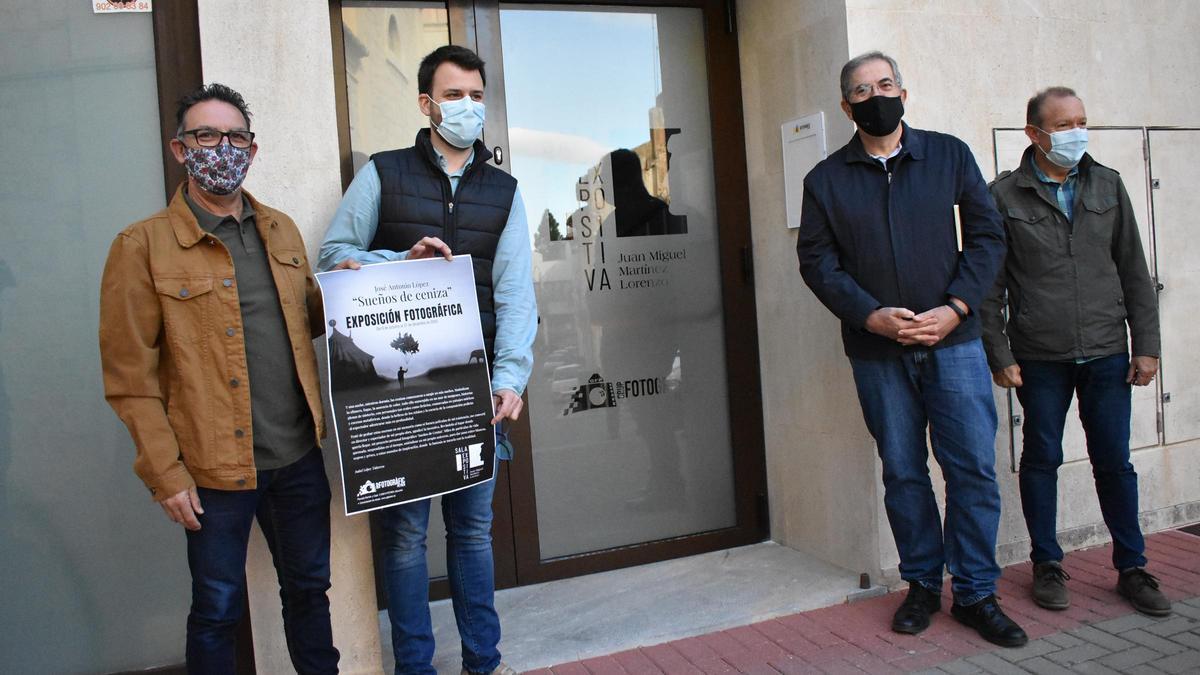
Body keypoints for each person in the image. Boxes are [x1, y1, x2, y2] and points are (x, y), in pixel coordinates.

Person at [99, 83, 338, 673]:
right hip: (210, 471)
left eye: (234, 137)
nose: (221, 148)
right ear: (181, 149)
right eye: (206, 136)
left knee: (310, 592)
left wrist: (390, 281)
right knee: (217, 609)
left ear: (252, 151)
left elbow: (310, 316)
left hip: (297, 457)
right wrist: (165, 473)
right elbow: (130, 377)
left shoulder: (278, 229)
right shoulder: (142, 245)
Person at [318, 45, 537, 675]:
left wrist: (513, 378)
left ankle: (482, 662)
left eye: (475, 95)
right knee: (406, 539)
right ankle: (414, 667)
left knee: (472, 533)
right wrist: (399, 261)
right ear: (426, 104)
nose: (467, 107)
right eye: (453, 95)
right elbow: (332, 256)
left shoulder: (505, 191)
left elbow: (519, 292)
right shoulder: (383, 174)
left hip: (473, 390)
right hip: (395, 390)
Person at [797, 51, 1026, 647]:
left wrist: (954, 309)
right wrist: (872, 316)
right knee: (903, 472)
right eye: (863, 90)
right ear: (846, 106)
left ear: (905, 92)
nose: (877, 96)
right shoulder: (824, 180)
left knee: (972, 469)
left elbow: (986, 235)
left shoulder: (948, 154)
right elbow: (817, 264)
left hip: (954, 342)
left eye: (886, 84)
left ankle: (975, 592)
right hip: (878, 354)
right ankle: (924, 583)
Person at [981, 87, 1170, 617]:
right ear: (1034, 134)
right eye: (1063, 124)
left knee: (1114, 462)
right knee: (1041, 459)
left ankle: (1132, 567)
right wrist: (1000, 354)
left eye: (1082, 121)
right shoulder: (1003, 197)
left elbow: (1134, 270)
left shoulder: (1107, 184)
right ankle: (1047, 562)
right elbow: (989, 288)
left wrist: (1147, 346)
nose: (1075, 132)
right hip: (1040, 357)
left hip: (1108, 351)